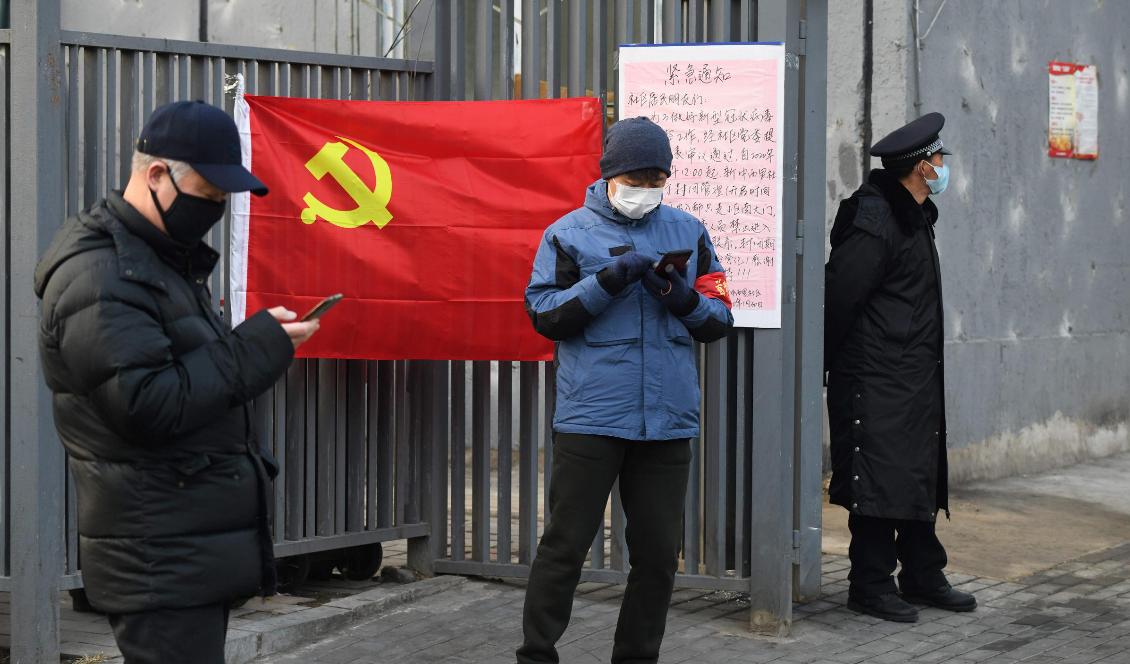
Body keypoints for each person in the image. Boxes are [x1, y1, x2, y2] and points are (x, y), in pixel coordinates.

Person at [34, 100, 320, 663]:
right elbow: (149, 405)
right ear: (156, 174)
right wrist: (257, 347)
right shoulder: (103, 274)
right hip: (154, 558)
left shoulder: (159, 262)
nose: (212, 211)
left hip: (180, 550)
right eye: (207, 197)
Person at [518, 117, 734, 664]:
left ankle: (636, 657)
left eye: (656, 179)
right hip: (590, 417)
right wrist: (608, 281)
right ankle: (537, 654)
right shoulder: (567, 233)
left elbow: (719, 318)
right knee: (565, 546)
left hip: (667, 420)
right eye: (636, 179)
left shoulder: (689, 230)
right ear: (611, 176)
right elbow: (545, 316)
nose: (646, 190)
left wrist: (681, 298)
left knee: (659, 555)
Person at [824, 112, 976, 622]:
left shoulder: (914, 214)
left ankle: (922, 574)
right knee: (877, 479)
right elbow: (840, 299)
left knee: (915, 474)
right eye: (937, 159)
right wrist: (831, 369)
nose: (942, 166)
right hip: (875, 375)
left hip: (912, 374)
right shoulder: (874, 220)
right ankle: (869, 583)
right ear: (919, 167)